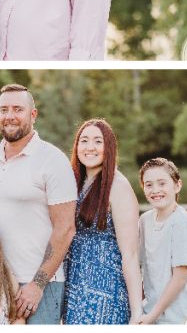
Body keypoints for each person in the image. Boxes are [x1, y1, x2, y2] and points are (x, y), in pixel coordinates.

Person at [0, 84, 76, 324]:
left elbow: (65, 229)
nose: (9, 115)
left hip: (38, 285)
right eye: (3, 109)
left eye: (17, 109)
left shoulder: (52, 160)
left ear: (33, 114)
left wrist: (37, 285)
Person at [63, 119, 143, 324]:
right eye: (84, 141)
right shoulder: (74, 183)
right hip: (76, 286)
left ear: (109, 147)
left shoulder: (118, 186)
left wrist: (137, 313)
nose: (90, 147)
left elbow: (131, 254)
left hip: (106, 290)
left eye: (98, 142)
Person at [138, 158, 187, 324]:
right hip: (153, 314)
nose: (155, 190)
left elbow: (180, 278)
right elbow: (141, 268)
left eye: (162, 183)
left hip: (182, 318)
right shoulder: (145, 220)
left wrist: (151, 316)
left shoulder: (181, 222)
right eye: (149, 184)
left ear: (177, 185)